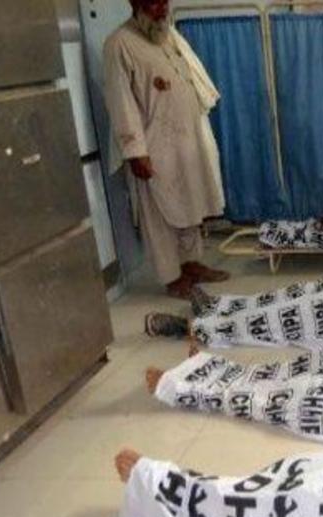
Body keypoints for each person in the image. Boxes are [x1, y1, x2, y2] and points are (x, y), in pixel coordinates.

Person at [104, 0, 229, 299]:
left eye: (164, 1)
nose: (161, 9)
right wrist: (135, 151)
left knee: (191, 207)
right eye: (152, 2)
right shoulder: (119, 44)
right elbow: (120, 101)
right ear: (134, 3)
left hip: (187, 141)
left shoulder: (167, 34)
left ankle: (192, 264)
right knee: (159, 213)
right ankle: (172, 279)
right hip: (153, 145)